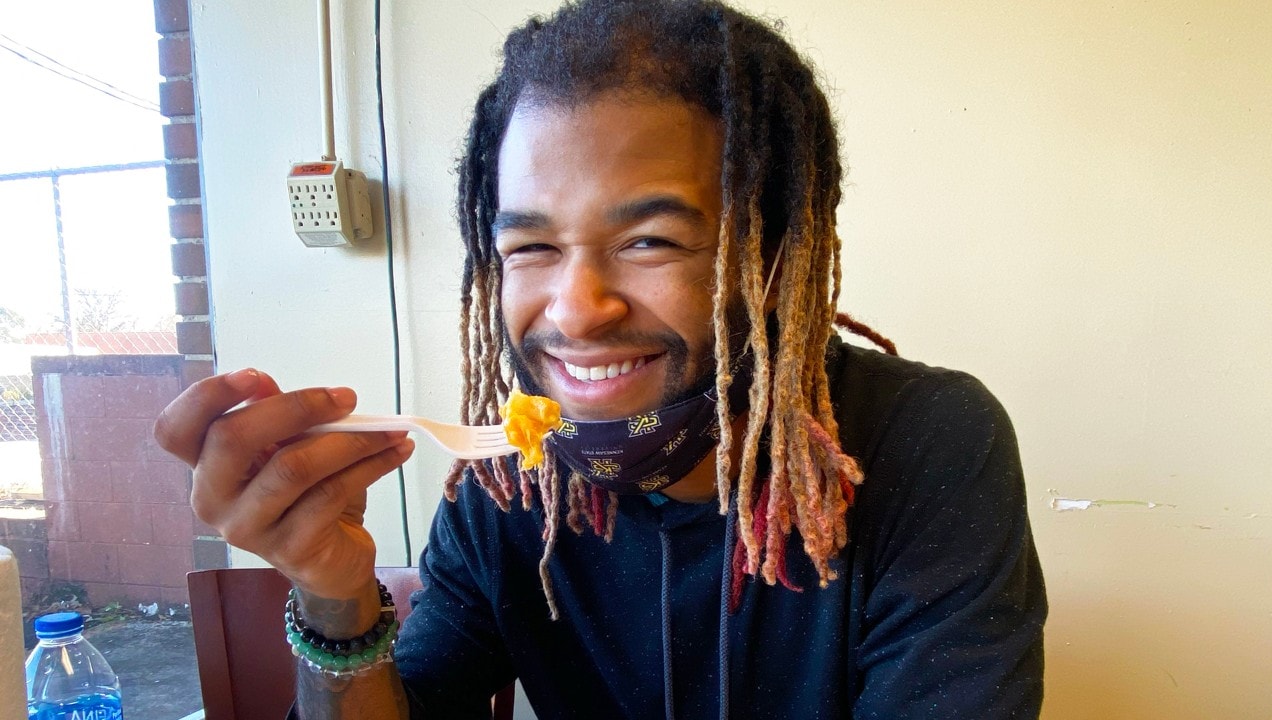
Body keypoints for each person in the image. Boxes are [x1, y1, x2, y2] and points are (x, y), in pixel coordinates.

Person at [154, 0, 1047, 717]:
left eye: (651, 240)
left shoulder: (930, 444)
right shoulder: (510, 487)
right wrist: (333, 596)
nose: (577, 310)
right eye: (531, 249)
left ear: (774, 261)